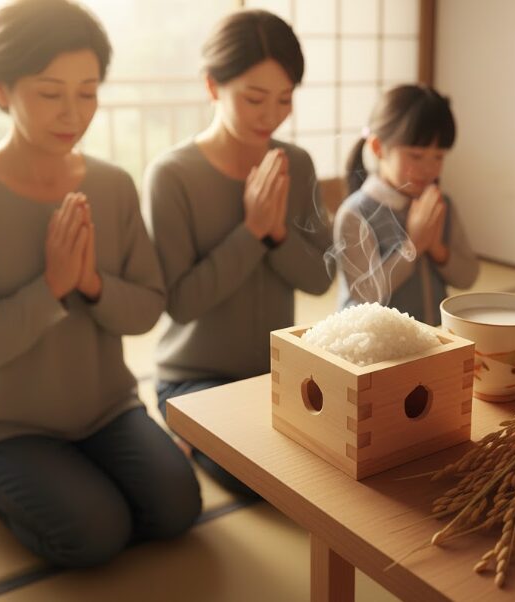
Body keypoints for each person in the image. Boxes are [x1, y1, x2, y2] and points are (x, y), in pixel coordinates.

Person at [0, 0, 201, 568]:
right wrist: (50, 288)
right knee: (96, 536)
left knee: (178, 508)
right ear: (1, 91)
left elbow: (148, 307)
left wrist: (92, 284)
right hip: (3, 425)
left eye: (88, 91)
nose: (73, 113)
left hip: (105, 409)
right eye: (50, 93)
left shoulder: (113, 186)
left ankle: (77, 482)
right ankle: (3, 495)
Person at [144, 9, 332, 496]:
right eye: (253, 98)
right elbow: (181, 303)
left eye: (284, 99)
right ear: (212, 86)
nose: (270, 116)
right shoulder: (172, 175)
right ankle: (181, 431)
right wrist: (252, 233)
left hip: (276, 374)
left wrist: (276, 235)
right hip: (193, 380)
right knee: (257, 480)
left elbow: (320, 279)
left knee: (340, 451)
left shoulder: (297, 164)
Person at [333, 84, 479, 325]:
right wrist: (413, 247)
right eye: (416, 156)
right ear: (378, 148)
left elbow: (468, 277)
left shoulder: (441, 205)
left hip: (431, 335)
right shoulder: (355, 213)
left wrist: (437, 250)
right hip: (369, 340)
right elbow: (365, 295)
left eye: (439, 156)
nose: (429, 168)